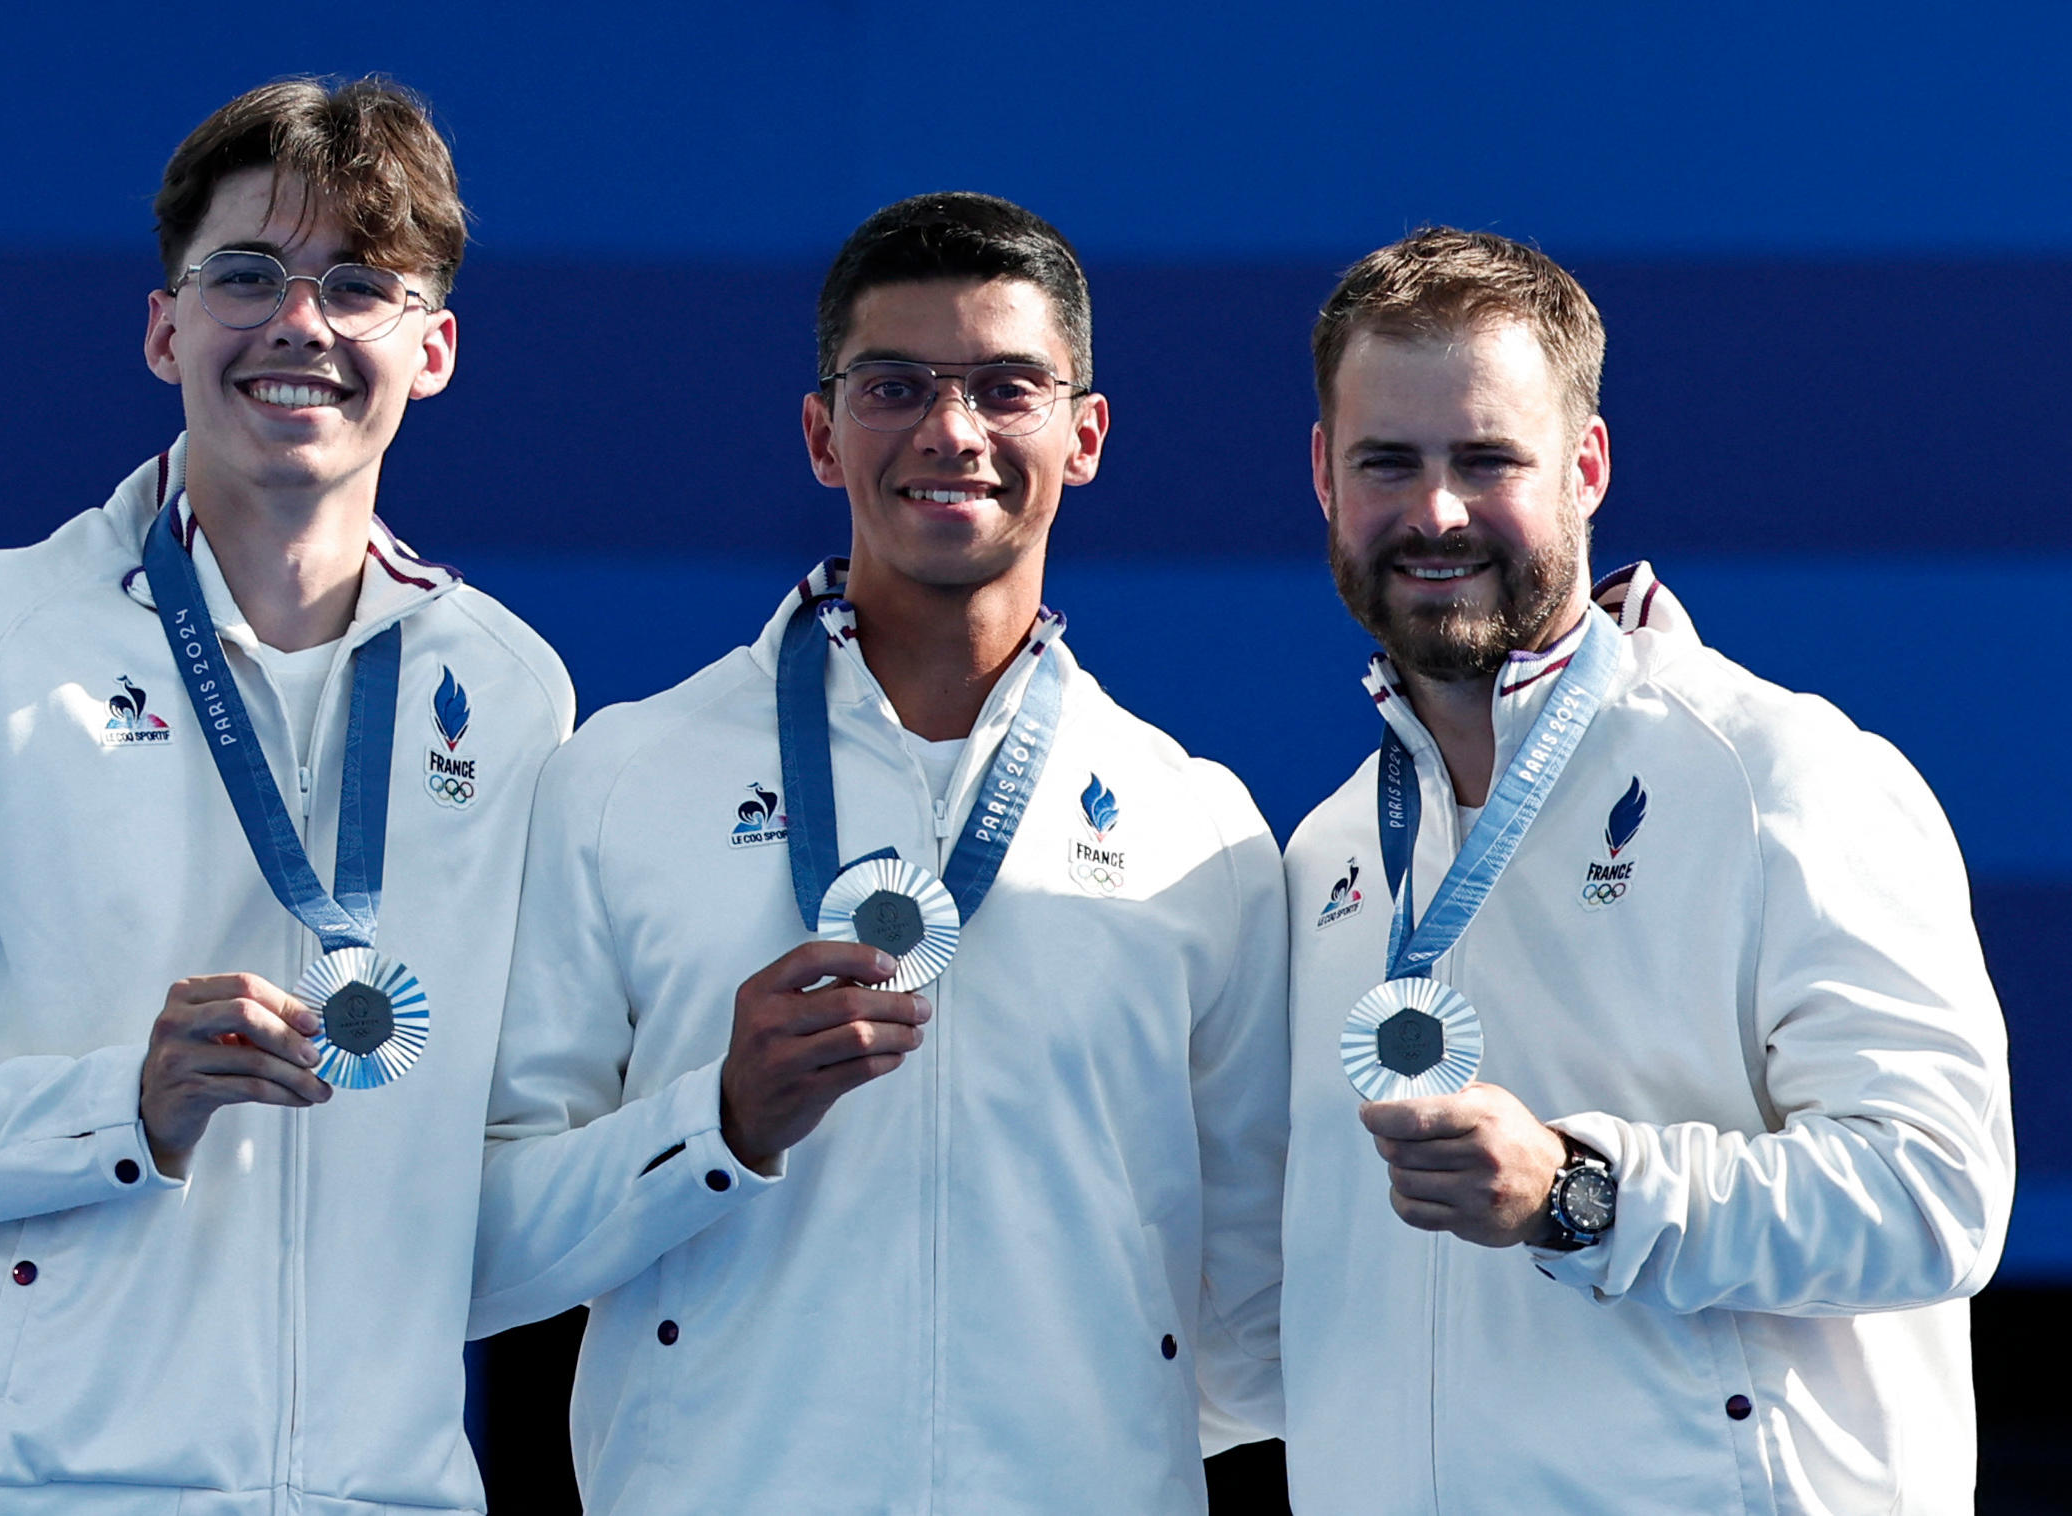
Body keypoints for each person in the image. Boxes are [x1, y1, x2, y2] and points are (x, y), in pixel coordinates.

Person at [0, 77, 572, 1514]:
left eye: (359, 285)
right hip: (20, 1487)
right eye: (248, 275)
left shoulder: (508, 688)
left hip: (381, 1492)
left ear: (433, 349)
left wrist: (722, 1131)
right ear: (165, 325)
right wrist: (121, 1106)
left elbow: (488, 1167)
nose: (299, 321)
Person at [471, 192, 1286, 1513]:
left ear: (1083, 436)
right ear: (820, 431)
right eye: (895, 385)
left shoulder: (1199, 826)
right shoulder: (622, 778)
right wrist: (714, 1126)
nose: (948, 431)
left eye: (1004, 388)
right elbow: (483, 1248)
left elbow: (1258, 1320)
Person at [1279, 226, 2013, 1514]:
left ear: (1587, 466)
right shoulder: (1328, 853)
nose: (1435, 510)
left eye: (1488, 458)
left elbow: (1937, 1195)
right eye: (1387, 462)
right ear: (1325, 483)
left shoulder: (1781, 774)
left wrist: (1578, 1190)